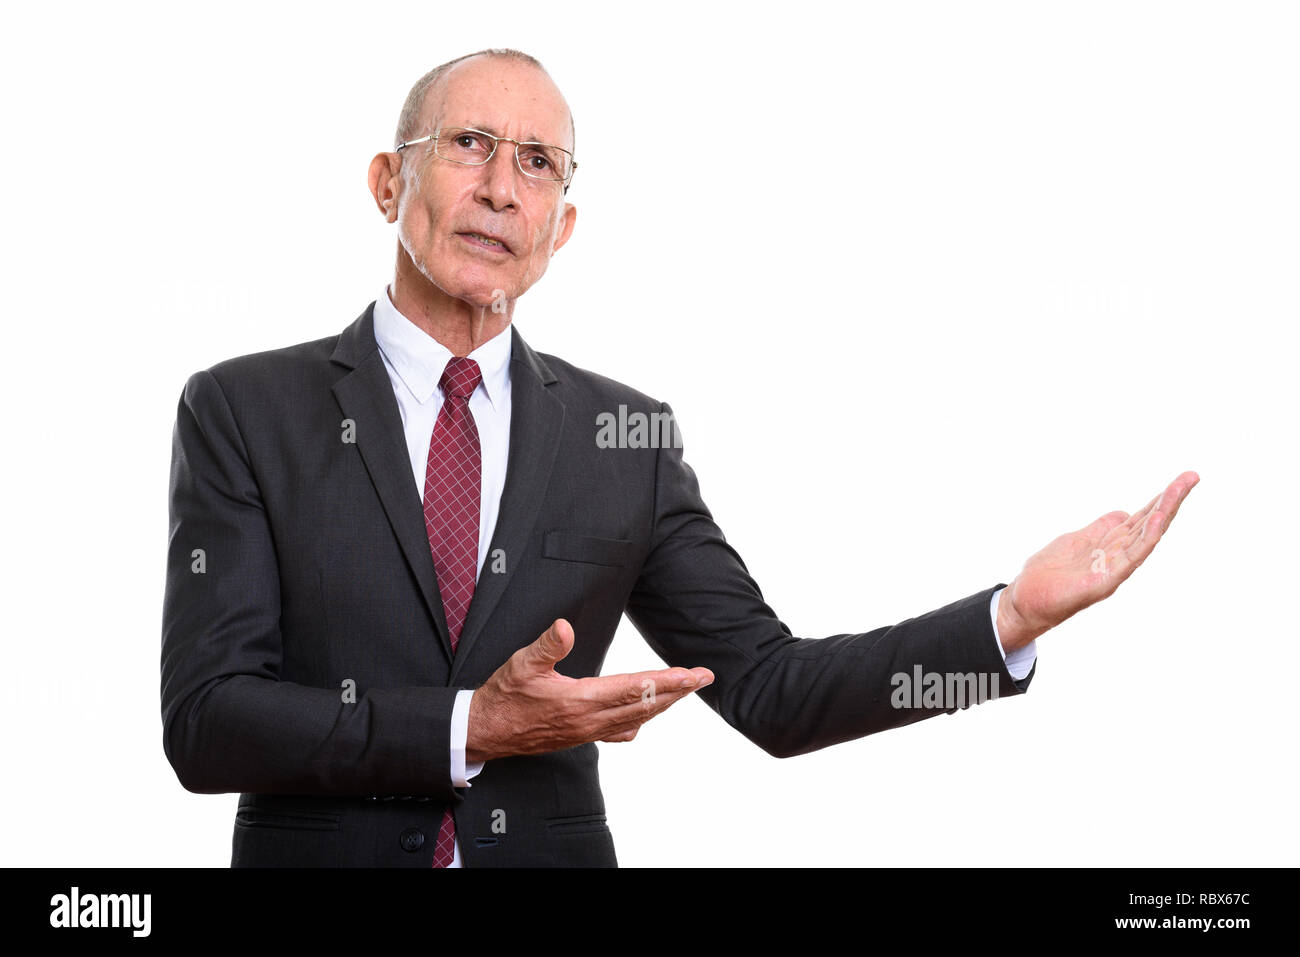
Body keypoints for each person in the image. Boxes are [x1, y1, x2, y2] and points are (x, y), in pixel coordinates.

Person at [160, 47, 1199, 867]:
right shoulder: (244, 409)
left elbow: (774, 693)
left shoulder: (627, 437)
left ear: (561, 227)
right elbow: (207, 723)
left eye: (538, 164)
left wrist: (1007, 620)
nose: (501, 189)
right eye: (470, 143)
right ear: (390, 181)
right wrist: (471, 725)